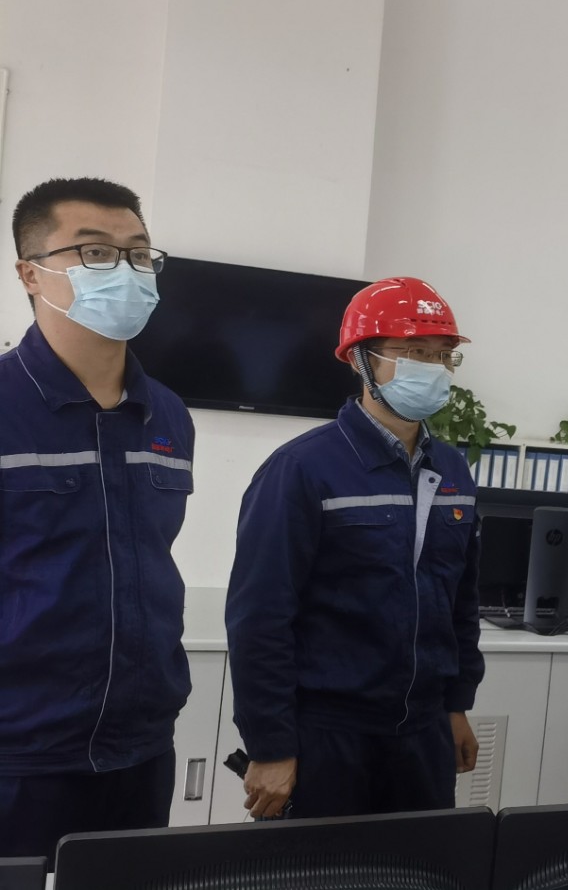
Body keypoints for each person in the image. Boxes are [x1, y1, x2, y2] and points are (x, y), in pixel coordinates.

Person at [225, 277, 484, 819]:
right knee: (326, 864)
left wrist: (456, 705)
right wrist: (271, 744)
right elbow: (260, 617)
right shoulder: (302, 469)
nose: (432, 368)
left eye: (443, 355)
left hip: (424, 732)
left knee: (424, 863)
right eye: (413, 352)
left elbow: (459, 602)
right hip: (328, 734)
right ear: (361, 360)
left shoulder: (453, 471)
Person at [0, 178, 193, 863]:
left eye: (139, 254)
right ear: (30, 273)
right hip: (18, 755)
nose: (128, 270)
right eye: (96, 252)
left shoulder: (167, 414)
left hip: (141, 747)